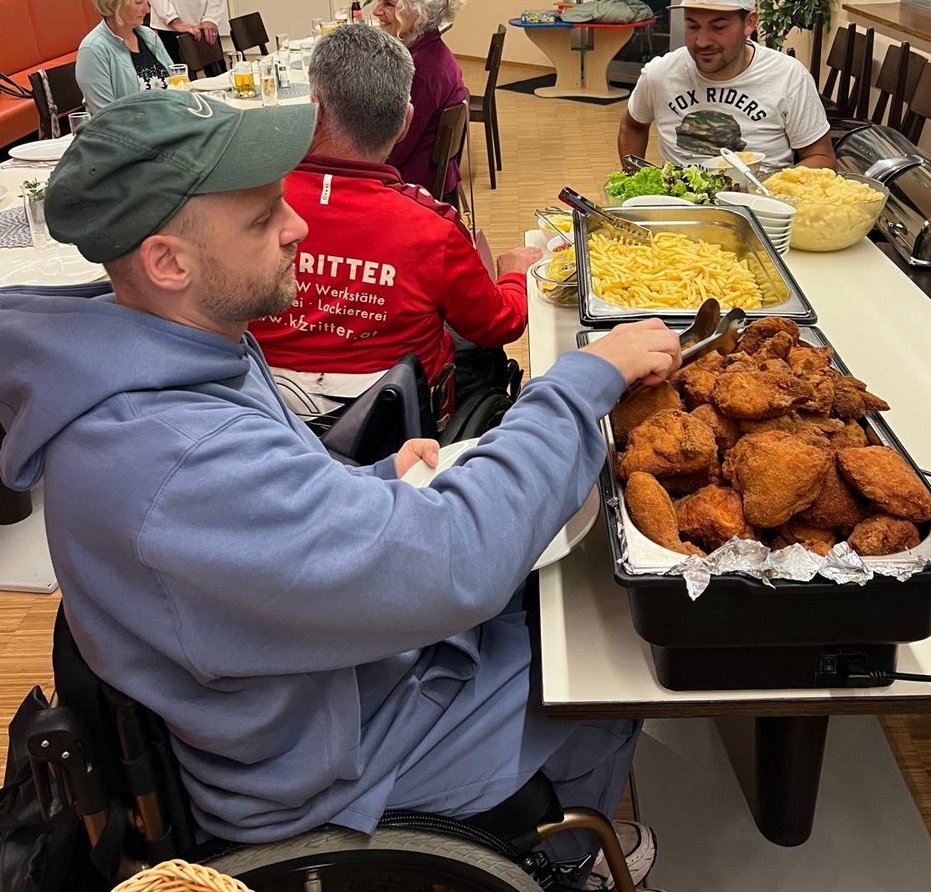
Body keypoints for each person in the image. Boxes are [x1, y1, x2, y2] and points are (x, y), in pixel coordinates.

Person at [0, 90, 681, 879]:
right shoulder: (178, 458)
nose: (297, 226)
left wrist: (366, 480)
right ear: (167, 261)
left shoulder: (176, 344)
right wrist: (576, 385)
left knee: (563, 600)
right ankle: (567, 860)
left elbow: (259, 517)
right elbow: (454, 562)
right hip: (319, 762)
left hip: (313, 689)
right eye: (262, 219)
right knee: (606, 671)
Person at [250, 24, 540, 415]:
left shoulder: (248, 205)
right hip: (401, 427)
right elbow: (498, 325)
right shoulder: (434, 228)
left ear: (314, 112)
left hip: (262, 413)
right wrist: (515, 275)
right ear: (406, 122)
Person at [617, 0, 837, 171]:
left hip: (761, 198)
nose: (702, 41)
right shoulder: (659, 74)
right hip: (679, 198)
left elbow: (822, 158)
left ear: (749, 23)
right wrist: (634, 180)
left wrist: (773, 188)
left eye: (719, 27)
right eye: (693, 26)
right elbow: (633, 125)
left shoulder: (788, 77)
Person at [373, 0, 467, 197]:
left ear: (420, 13)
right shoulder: (428, 53)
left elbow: (392, 151)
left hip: (411, 187)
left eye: (389, 4)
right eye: (378, 0)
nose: (376, 11)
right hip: (424, 178)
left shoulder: (422, 70)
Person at [75, 0, 174, 111]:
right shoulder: (93, 50)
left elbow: (176, 83)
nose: (147, 9)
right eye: (139, 2)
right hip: (130, 126)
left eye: (146, 1)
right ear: (112, 5)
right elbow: (107, 115)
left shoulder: (148, 36)